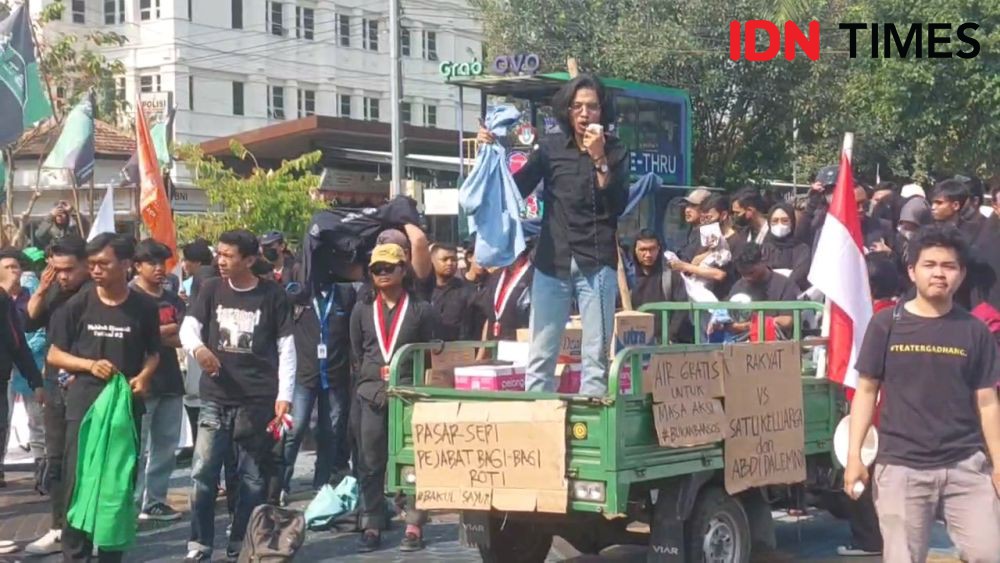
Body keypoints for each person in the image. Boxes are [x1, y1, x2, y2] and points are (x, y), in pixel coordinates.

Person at [845, 225, 1000, 563]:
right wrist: (855, 456)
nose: (940, 274)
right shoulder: (886, 324)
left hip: (965, 464)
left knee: (989, 552)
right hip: (901, 465)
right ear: (912, 271)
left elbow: (988, 402)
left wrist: (999, 462)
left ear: (961, 274)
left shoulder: (974, 330)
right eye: (930, 265)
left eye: (949, 266)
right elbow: (866, 391)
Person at [478, 73, 628, 396]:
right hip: (552, 261)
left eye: (592, 107)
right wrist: (491, 153)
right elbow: (515, 189)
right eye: (577, 107)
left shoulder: (615, 150)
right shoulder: (550, 148)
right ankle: (537, 430)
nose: (585, 114)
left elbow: (617, 204)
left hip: (597, 263)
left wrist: (599, 157)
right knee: (540, 356)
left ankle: (592, 436)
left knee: (595, 359)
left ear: (603, 111)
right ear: (567, 111)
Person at [179, 230, 295, 562]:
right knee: (203, 470)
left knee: (252, 476)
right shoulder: (211, 288)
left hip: (258, 399)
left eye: (229, 255)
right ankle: (199, 542)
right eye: (219, 254)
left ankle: (241, 540)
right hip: (216, 396)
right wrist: (199, 349)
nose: (221, 260)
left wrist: (284, 394)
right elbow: (189, 327)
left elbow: (286, 348)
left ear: (249, 259)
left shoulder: (273, 295)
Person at [46, 233, 161, 562]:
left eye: (103, 264)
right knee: (78, 481)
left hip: (125, 406)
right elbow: (54, 354)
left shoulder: (143, 307)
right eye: (92, 264)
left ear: (125, 265)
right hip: (83, 405)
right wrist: (88, 365)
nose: (95, 270)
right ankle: (76, 554)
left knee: (119, 482)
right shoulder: (78, 303)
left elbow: (154, 353)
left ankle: (111, 553)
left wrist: (144, 376)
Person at [349, 244, 435, 553]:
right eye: (376, 269)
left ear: (403, 269)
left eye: (389, 268)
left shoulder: (421, 309)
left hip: (410, 395)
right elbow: (357, 352)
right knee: (370, 461)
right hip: (371, 394)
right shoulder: (362, 309)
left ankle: (413, 523)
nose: (382, 274)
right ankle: (372, 522)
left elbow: (429, 355)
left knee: (413, 460)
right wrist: (373, 375)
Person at [24, 236, 91, 557]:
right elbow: (29, 319)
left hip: (87, 383)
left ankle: (86, 531)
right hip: (55, 383)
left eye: (69, 269)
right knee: (56, 460)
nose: (63, 276)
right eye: (56, 269)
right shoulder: (52, 289)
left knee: (86, 461)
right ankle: (58, 526)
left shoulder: (96, 293)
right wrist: (41, 287)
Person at [282, 279, 355, 503]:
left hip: (335, 374)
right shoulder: (299, 292)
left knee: (330, 431)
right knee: (295, 427)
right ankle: (280, 482)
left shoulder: (345, 293)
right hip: (305, 373)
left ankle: (321, 482)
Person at [129, 239, 186, 522]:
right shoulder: (129, 298)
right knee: (135, 450)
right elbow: (132, 337)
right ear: (137, 266)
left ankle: (155, 502)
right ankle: (131, 504)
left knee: (166, 446)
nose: (159, 268)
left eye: (162, 263)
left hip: (171, 381)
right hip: (140, 383)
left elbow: (184, 337)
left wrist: (158, 333)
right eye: (152, 263)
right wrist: (165, 331)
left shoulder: (172, 298)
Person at [0, 276, 45, 489]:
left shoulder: (5, 302)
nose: (13, 273)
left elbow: (17, 343)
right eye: (7, 268)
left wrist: (35, 380)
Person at [629, 230, 691, 343]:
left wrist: (670, 337)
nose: (648, 254)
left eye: (652, 249)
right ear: (635, 251)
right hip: (636, 345)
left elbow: (682, 309)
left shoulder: (671, 277)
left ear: (658, 249)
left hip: (667, 345)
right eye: (643, 250)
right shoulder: (629, 280)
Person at [725, 243, 800, 334]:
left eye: (751, 273)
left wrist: (760, 324)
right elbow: (730, 323)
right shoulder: (738, 287)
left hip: (777, 341)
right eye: (743, 274)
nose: (747, 278)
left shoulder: (784, 284)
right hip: (744, 342)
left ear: (762, 261)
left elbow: (787, 320)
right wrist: (747, 326)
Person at [480, 244, 534, 341]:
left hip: (521, 344)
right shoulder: (496, 275)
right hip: (494, 344)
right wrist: (481, 352)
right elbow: (489, 319)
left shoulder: (534, 276)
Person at [429, 244, 478, 341]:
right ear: (432, 261)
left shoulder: (468, 290)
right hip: (427, 350)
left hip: (457, 350)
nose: (450, 263)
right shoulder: (424, 290)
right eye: (445, 259)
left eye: (453, 259)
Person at [760, 203, 811, 290]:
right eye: (775, 221)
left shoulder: (802, 249)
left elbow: (798, 276)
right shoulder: (763, 249)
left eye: (784, 220)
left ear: (792, 222)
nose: (779, 224)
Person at [678, 188, 711, 261]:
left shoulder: (707, 232)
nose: (687, 210)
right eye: (687, 205)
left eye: (693, 205)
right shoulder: (692, 229)